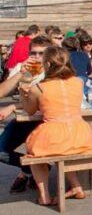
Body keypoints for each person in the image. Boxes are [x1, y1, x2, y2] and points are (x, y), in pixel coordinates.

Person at [21, 46, 92, 205]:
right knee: (60, 148)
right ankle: (76, 187)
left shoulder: (39, 87)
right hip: (81, 134)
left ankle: (44, 196)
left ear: (47, 65)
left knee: (36, 153)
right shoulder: (77, 82)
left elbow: (29, 110)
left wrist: (23, 90)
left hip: (54, 132)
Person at [0, 36, 50, 193]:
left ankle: (30, 173)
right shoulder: (23, 67)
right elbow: (2, 92)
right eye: (33, 53)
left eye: (41, 53)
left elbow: (44, 100)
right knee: (1, 151)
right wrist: (20, 74)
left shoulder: (54, 69)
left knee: (36, 148)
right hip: (25, 119)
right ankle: (30, 169)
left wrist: (14, 105)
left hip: (45, 120)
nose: (36, 57)